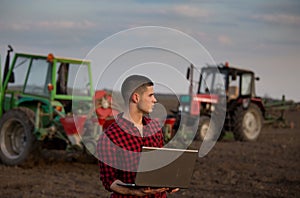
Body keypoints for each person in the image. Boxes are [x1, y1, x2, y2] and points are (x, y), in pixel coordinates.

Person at [97, 75, 178, 197]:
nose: (155, 100)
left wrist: (168, 182)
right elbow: (110, 181)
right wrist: (134, 192)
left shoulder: (155, 128)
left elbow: (159, 167)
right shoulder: (109, 137)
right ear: (136, 97)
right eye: (150, 95)